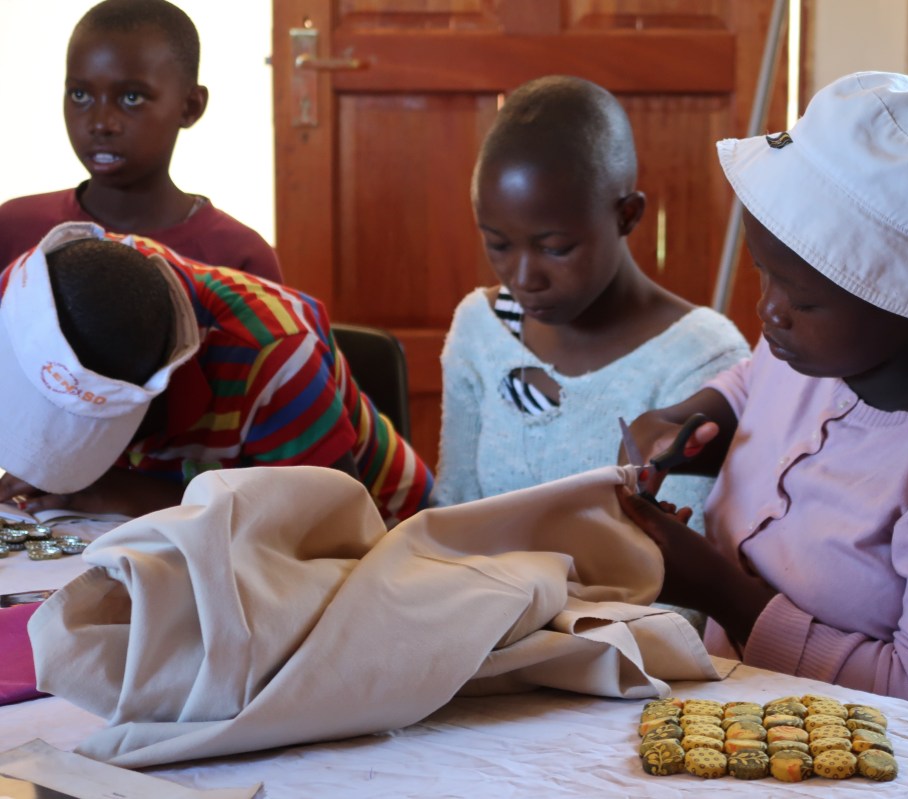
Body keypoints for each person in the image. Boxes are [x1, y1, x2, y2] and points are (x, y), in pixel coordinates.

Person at [617, 71, 908, 721]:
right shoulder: (821, 344)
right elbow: (754, 382)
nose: (768, 313)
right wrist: (697, 415)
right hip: (730, 707)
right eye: (763, 275)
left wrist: (725, 594)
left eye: (801, 298)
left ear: (905, 297)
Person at [432, 75, 751, 529]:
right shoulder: (482, 329)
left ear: (627, 215)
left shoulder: (700, 359)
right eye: (498, 245)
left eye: (555, 248)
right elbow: (452, 514)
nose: (524, 279)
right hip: (482, 595)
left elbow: (684, 566)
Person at [0, 222, 430, 527]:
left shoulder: (274, 354)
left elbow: (332, 528)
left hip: (386, 537)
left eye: (80, 429)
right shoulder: (35, 284)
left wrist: (130, 493)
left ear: (157, 392)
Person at [0, 0, 282, 282]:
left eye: (131, 98)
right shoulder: (14, 230)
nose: (100, 123)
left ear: (190, 107)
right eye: (80, 95)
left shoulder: (237, 258)